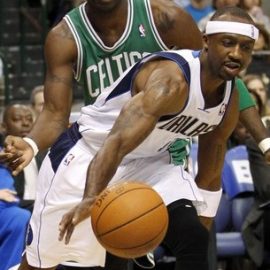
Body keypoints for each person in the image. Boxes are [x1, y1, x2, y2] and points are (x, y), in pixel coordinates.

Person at [13, 6, 265, 270]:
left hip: (153, 162)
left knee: (194, 240)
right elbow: (116, 143)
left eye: (246, 47)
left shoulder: (229, 100)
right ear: (206, 41)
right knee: (42, 262)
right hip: (89, 154)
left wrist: (202, 223)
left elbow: (211, 171)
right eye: (228, 43)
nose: (236, 53)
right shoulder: (171, 83)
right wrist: (91, 198)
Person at [0, 164, 31, 270]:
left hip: (11, 206)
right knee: (19, 217)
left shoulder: (6, 150)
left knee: (24, 216)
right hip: (6, 208)